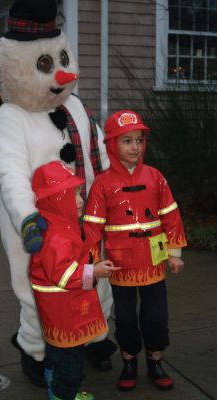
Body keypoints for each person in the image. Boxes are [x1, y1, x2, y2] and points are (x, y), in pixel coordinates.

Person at [0, 0, 116, 386]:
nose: (62, 72)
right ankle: (35, 348)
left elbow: (99, 154)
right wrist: (28, 219)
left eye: (62, 57)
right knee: (39, 291)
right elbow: (10, 173)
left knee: (98, 281)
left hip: (86, 222)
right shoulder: (12, 118)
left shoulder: (75, 106)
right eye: (46, 65)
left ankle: (94, 338)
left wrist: (111, 193)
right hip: (41, 229)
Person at [83, 110, 187, 391]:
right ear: (112, 144)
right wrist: (93, 265)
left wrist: (174, 253)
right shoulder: (103, 184)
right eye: (126, 141)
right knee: (126, 317)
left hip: (154, 260)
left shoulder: (155, 177)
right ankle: (129, 360)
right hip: (120, 264)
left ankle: (155, 359)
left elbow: (170, 215)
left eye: (139, 140)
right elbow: (92, 227)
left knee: (156, 315)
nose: (134, 147)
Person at [29, 160, 118, 400]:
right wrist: (94, 271)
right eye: (71, 195)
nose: (80, 200)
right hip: (65, 311)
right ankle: (62, 394)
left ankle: (53, 387)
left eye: (79, 193)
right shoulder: (57, 236)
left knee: (57, 355)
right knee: (71, 367)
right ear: (54, 200)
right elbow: (64, 275)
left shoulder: (58, 224)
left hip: (58, 312)